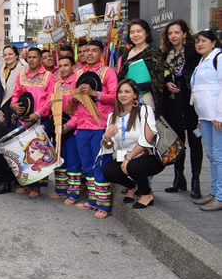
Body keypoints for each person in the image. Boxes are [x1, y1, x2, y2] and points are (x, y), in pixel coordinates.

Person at [64, 40, 118, 217]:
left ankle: (104, 205)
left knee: (100, 165)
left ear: (101, 53)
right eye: (86, 51)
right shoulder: (79, 73)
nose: (89, 54)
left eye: (93, 51)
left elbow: (116, 96)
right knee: (87, 165)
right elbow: (73, 103)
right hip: (82, 127)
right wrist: (74, 98)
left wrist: (95, 94)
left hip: (101, 126)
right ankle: (93, 200)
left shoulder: (108, 72)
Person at [102, 79, 163, 210]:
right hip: (123, 157)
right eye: (120, 92)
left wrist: (129, 157)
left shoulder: (145, 110)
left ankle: (146, 193)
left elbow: (148, 138)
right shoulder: (112, 116)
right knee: (108, 171)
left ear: (135, 95)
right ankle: (132, 186)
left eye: (127, 92)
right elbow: (109, 146)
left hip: (147, 157)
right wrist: (106, 137)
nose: (123, 95)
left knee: (133, 166)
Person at [160, 20, 203, 198]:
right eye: (170, 33)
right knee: (178, 141)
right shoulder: (165, 54)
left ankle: (195, 180)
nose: (174, 36)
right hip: (172, 102)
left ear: (184, 34)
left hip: (190, 102)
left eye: (177, 32)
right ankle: (179, 178)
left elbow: (197, 76)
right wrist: (166, 83)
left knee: (194, 142)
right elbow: (161, 74)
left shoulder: (194, 53)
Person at [10, 47, 55, 197]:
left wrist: (39, 113)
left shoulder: (48, 76)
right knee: (24, 152)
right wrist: (14, 105)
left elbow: (50, 99)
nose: (31, 60)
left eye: (34, 57)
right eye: (29, 57)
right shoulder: (21, 75)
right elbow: (15, 95)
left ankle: (38, 187)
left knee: (40, 154)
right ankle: (27, 182)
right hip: (23, 120)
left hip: (40, 120)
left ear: (40, 59)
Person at [190, 30, 222, 211]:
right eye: (197, 42)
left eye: (203, 41)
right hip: (206, 117)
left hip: (217, 117)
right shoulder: (202, 61)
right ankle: (215, 192)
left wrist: (219, 115)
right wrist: (200, 118)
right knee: (211, 155)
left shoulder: (219, 58)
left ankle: (221, 195)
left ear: (213, 42)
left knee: (219, 157)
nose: (200, 44)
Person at [117, 19, 165, 112]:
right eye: (132, 32)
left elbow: (158, 80)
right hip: (127, 98)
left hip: (146, 98)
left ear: (146, 33)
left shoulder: (153, 52)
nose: (135, 35)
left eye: (139, 31)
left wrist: (135, 87)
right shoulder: (126, 53)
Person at [52, 56, 80, 202]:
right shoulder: (56, 84)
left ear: (73, 67)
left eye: (66, 65)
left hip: (73, 125)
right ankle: (61, 189)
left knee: (73, 160)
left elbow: (81, 108)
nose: (62, 69)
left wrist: (69, 125)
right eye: (60, 66)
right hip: (59, 124)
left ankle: (73, 193)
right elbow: (51, 103)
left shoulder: (77, 82)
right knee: (59, 157)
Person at [0, 45, 27, 129]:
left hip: (16, 110)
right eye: (5, 55)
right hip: (3, 111)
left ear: (16, 55)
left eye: (10, 54)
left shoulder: (24, 68)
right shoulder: (3, 69)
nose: (7, 57)